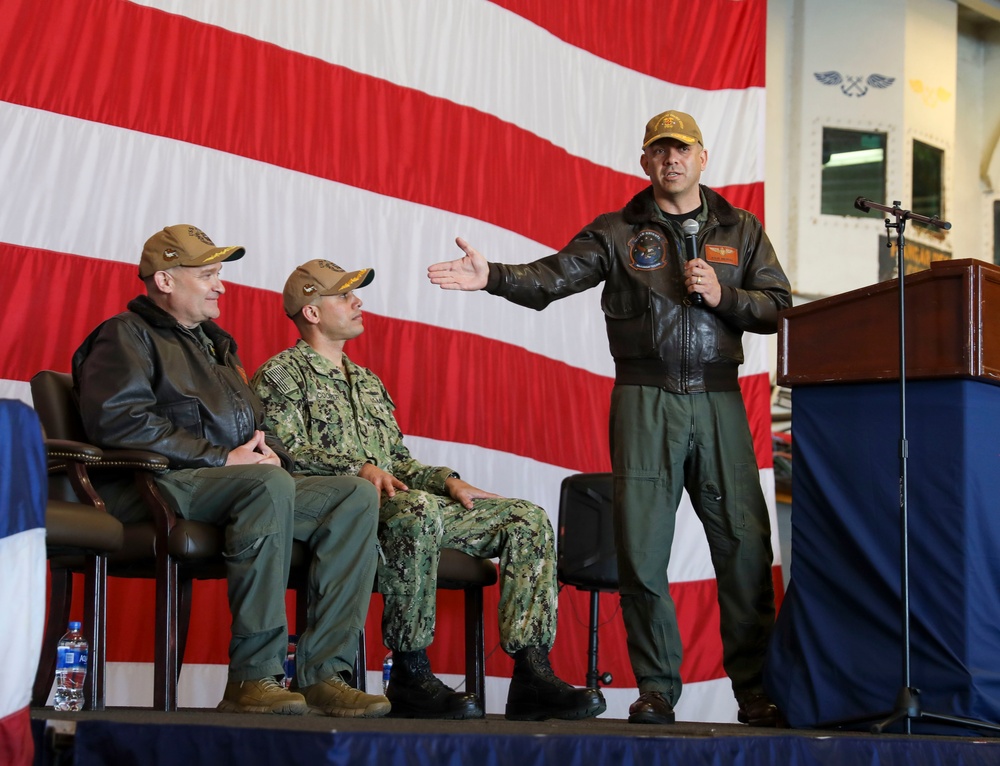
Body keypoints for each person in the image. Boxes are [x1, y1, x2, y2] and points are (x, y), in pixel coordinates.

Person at [427, 110, 792, 726]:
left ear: (703, 158)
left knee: (745, 549)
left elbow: (778, 307)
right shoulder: (618, 231)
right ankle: (656, 689)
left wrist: (723, 296)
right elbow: (553, 277)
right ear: (645, 162)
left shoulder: (742, 229)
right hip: (643, 400)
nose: (671, 159)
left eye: (682, 149)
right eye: (660, 151)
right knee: (642, 554)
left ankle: (755, 692)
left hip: (720, 399)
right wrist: (493, 277)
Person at [250, 259, 607, 722]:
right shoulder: (282, 375)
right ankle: (410, 671)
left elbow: (397, 460)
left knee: (526, 517)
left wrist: (447, 481)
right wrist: (358, 468)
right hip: (338, 511)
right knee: (416, 509)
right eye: (343, 295)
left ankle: (532, 675)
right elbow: (285, 451)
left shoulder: (367, 382)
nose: (357, 302)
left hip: (399, 501)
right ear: (312, 312)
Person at [72, 224, 391, 718]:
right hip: (154, 484)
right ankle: (252, 677)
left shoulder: (216, 346)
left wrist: (268, 451)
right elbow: (120, 419)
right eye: (208, 274)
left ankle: (325, 674)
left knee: (353, 497)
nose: (221, 285)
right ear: (165, 281)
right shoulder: (124, 335)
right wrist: (224, 459)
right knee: (265, 485)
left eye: (219, 274)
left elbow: (257, 427)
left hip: (224, 483)